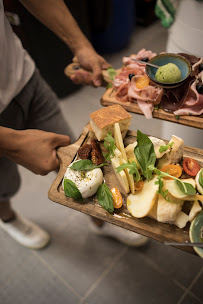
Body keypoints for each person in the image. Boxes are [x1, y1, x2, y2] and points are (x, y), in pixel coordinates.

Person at [0, 0, 148, 249]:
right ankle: (7, 217)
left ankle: (99, 222)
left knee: (78, 161)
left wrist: (81, 45)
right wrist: (9, 143)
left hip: (23, 77)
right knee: (2, 183)